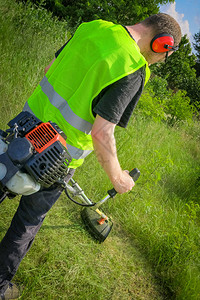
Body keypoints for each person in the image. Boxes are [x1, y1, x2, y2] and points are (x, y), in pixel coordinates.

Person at [0, 13, 181, 299]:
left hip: (23, 125)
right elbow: (101, 133)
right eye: (165, 55)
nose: (161, 60)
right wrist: (119, 178)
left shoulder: (94, 27)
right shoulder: (133, 68)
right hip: (55, 157)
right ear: (162, 44)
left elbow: (51, 68)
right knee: (27, 222)